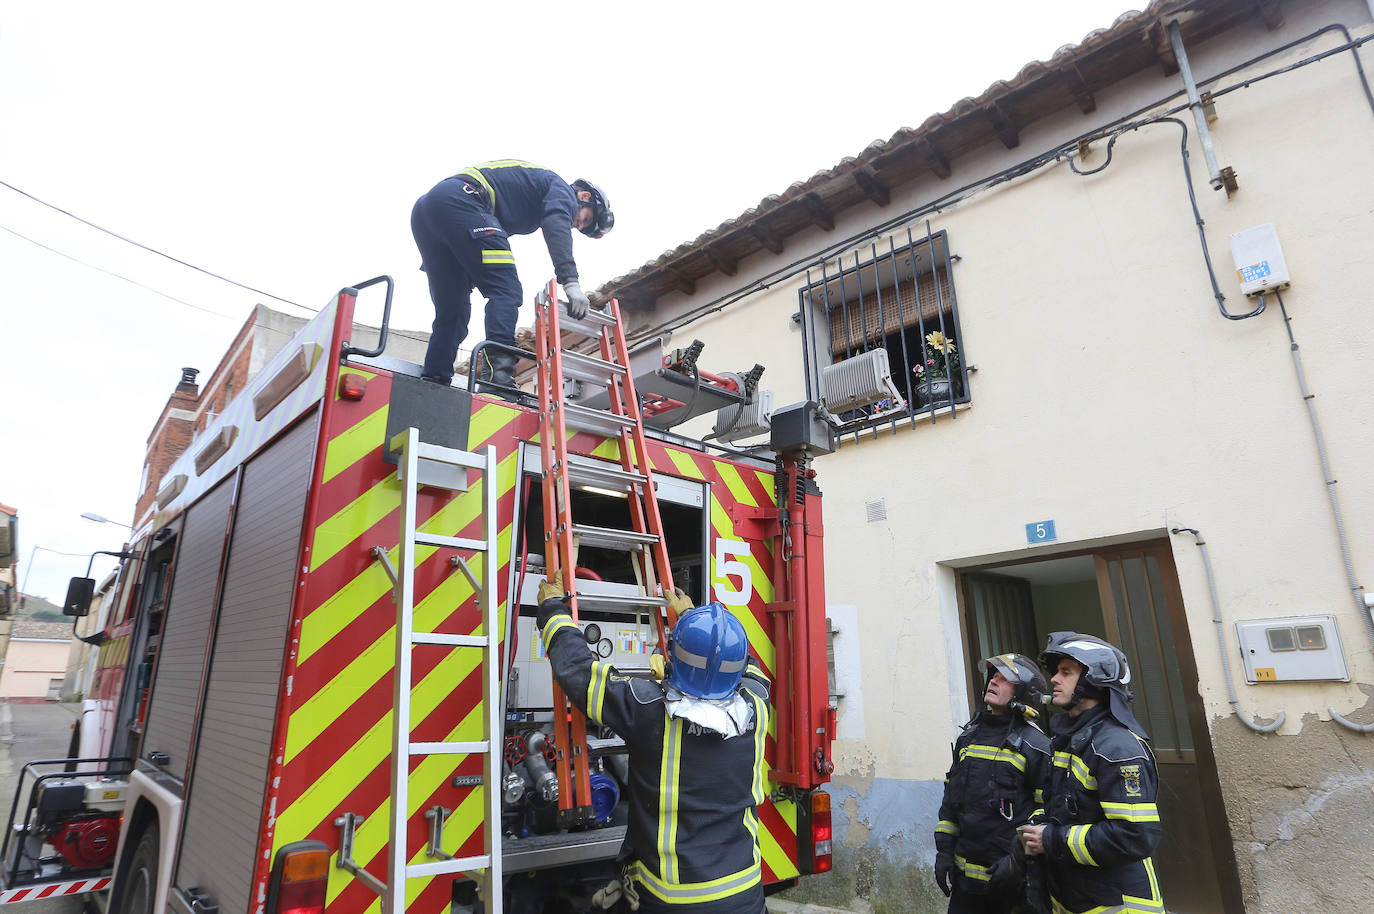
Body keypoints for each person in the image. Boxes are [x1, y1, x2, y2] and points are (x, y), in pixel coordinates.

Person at [537, 595, 770, 913]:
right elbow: (749, 666)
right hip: (745, 892)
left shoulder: (649, 709)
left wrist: (552, 608)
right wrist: (695, 622)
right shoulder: (757, 703)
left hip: (673, 902)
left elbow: (578, 672)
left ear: (673, 657)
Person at [411, 160, 614, 388]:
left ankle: (435, 376)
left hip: (429, 211)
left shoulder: (532, 191)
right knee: (505, 290)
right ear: (584, 196)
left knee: (454, 308)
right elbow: (556, 221)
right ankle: (496, 377)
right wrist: (571, 282)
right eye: (584, 219)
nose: (576, 224)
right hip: (464, 201)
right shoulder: (562, 190)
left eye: (581, 227)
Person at [1018, 632, 1165, 914]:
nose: (1054, 680)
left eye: (1066, 672)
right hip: (1078, 896)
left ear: (1094, 680)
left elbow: (1133, 836)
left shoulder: (1117, 748)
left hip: (1120, 904)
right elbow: (1065, 810)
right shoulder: (1069, 741)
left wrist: (1050, 839)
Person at [934, 653, 1051, 913]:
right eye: (993, 676)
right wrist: (943, 853)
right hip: (965, 888)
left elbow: (1049, 813)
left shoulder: (1037, 746)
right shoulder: (968, 739)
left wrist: (1017, 861)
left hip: (1014, 885)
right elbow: (951, 804)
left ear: (1023, 693)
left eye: (1004, 679)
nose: (994, 681)